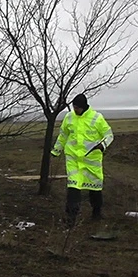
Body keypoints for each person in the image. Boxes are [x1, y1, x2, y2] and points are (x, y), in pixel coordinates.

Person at [51, 93, 114, 228]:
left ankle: (96, 213)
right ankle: (71, 218)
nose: (75, 110)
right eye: (73, 107)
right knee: (73, 187)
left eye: (77, 108)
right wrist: (56, 150)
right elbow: (63, 135)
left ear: (84, 106)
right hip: (73, 159)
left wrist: (102, 145)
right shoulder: (69, 117)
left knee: (95, 188)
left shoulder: (97, 118)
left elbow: (109, 135)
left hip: (91, 160)